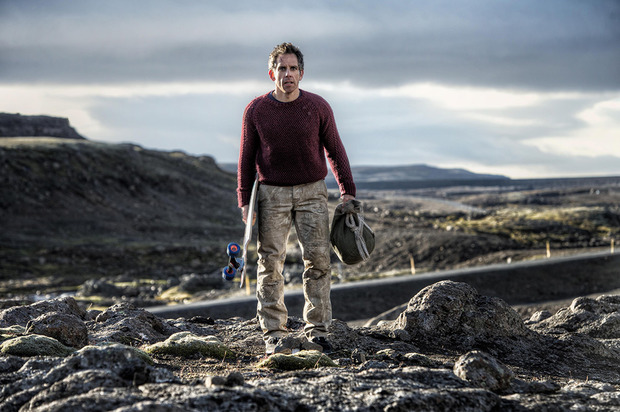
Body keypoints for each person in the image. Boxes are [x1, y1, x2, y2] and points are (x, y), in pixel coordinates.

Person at [237, 42, 356, 355]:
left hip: (312, 192)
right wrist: (244, 201)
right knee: (269, 263)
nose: (287, 74)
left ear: (302, 73)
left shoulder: (317, 107)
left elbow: (335, 149)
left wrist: (348, 191)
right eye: (281, 68)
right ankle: (274, 333)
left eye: (292, 68)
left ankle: (317, 331)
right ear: (271, 73)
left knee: (317, 261)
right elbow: (246, 159)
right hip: (270, 194)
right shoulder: (256, 110)